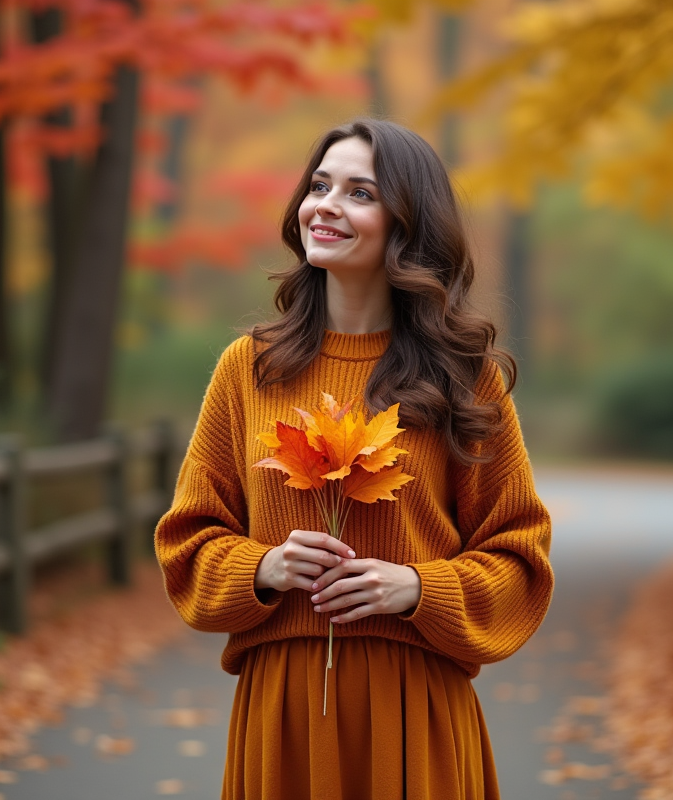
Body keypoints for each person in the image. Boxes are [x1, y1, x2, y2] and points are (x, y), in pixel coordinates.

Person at [154, 118, 554, 800]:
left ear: (407, 225)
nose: (326, 205)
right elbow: (186, 541)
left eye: (359, 192)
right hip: (280, 713)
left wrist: (418, 589)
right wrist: (265, 566)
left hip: (416, 710)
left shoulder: (465, 380)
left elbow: (520, 560)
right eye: (319, 185)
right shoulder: (248, 370)